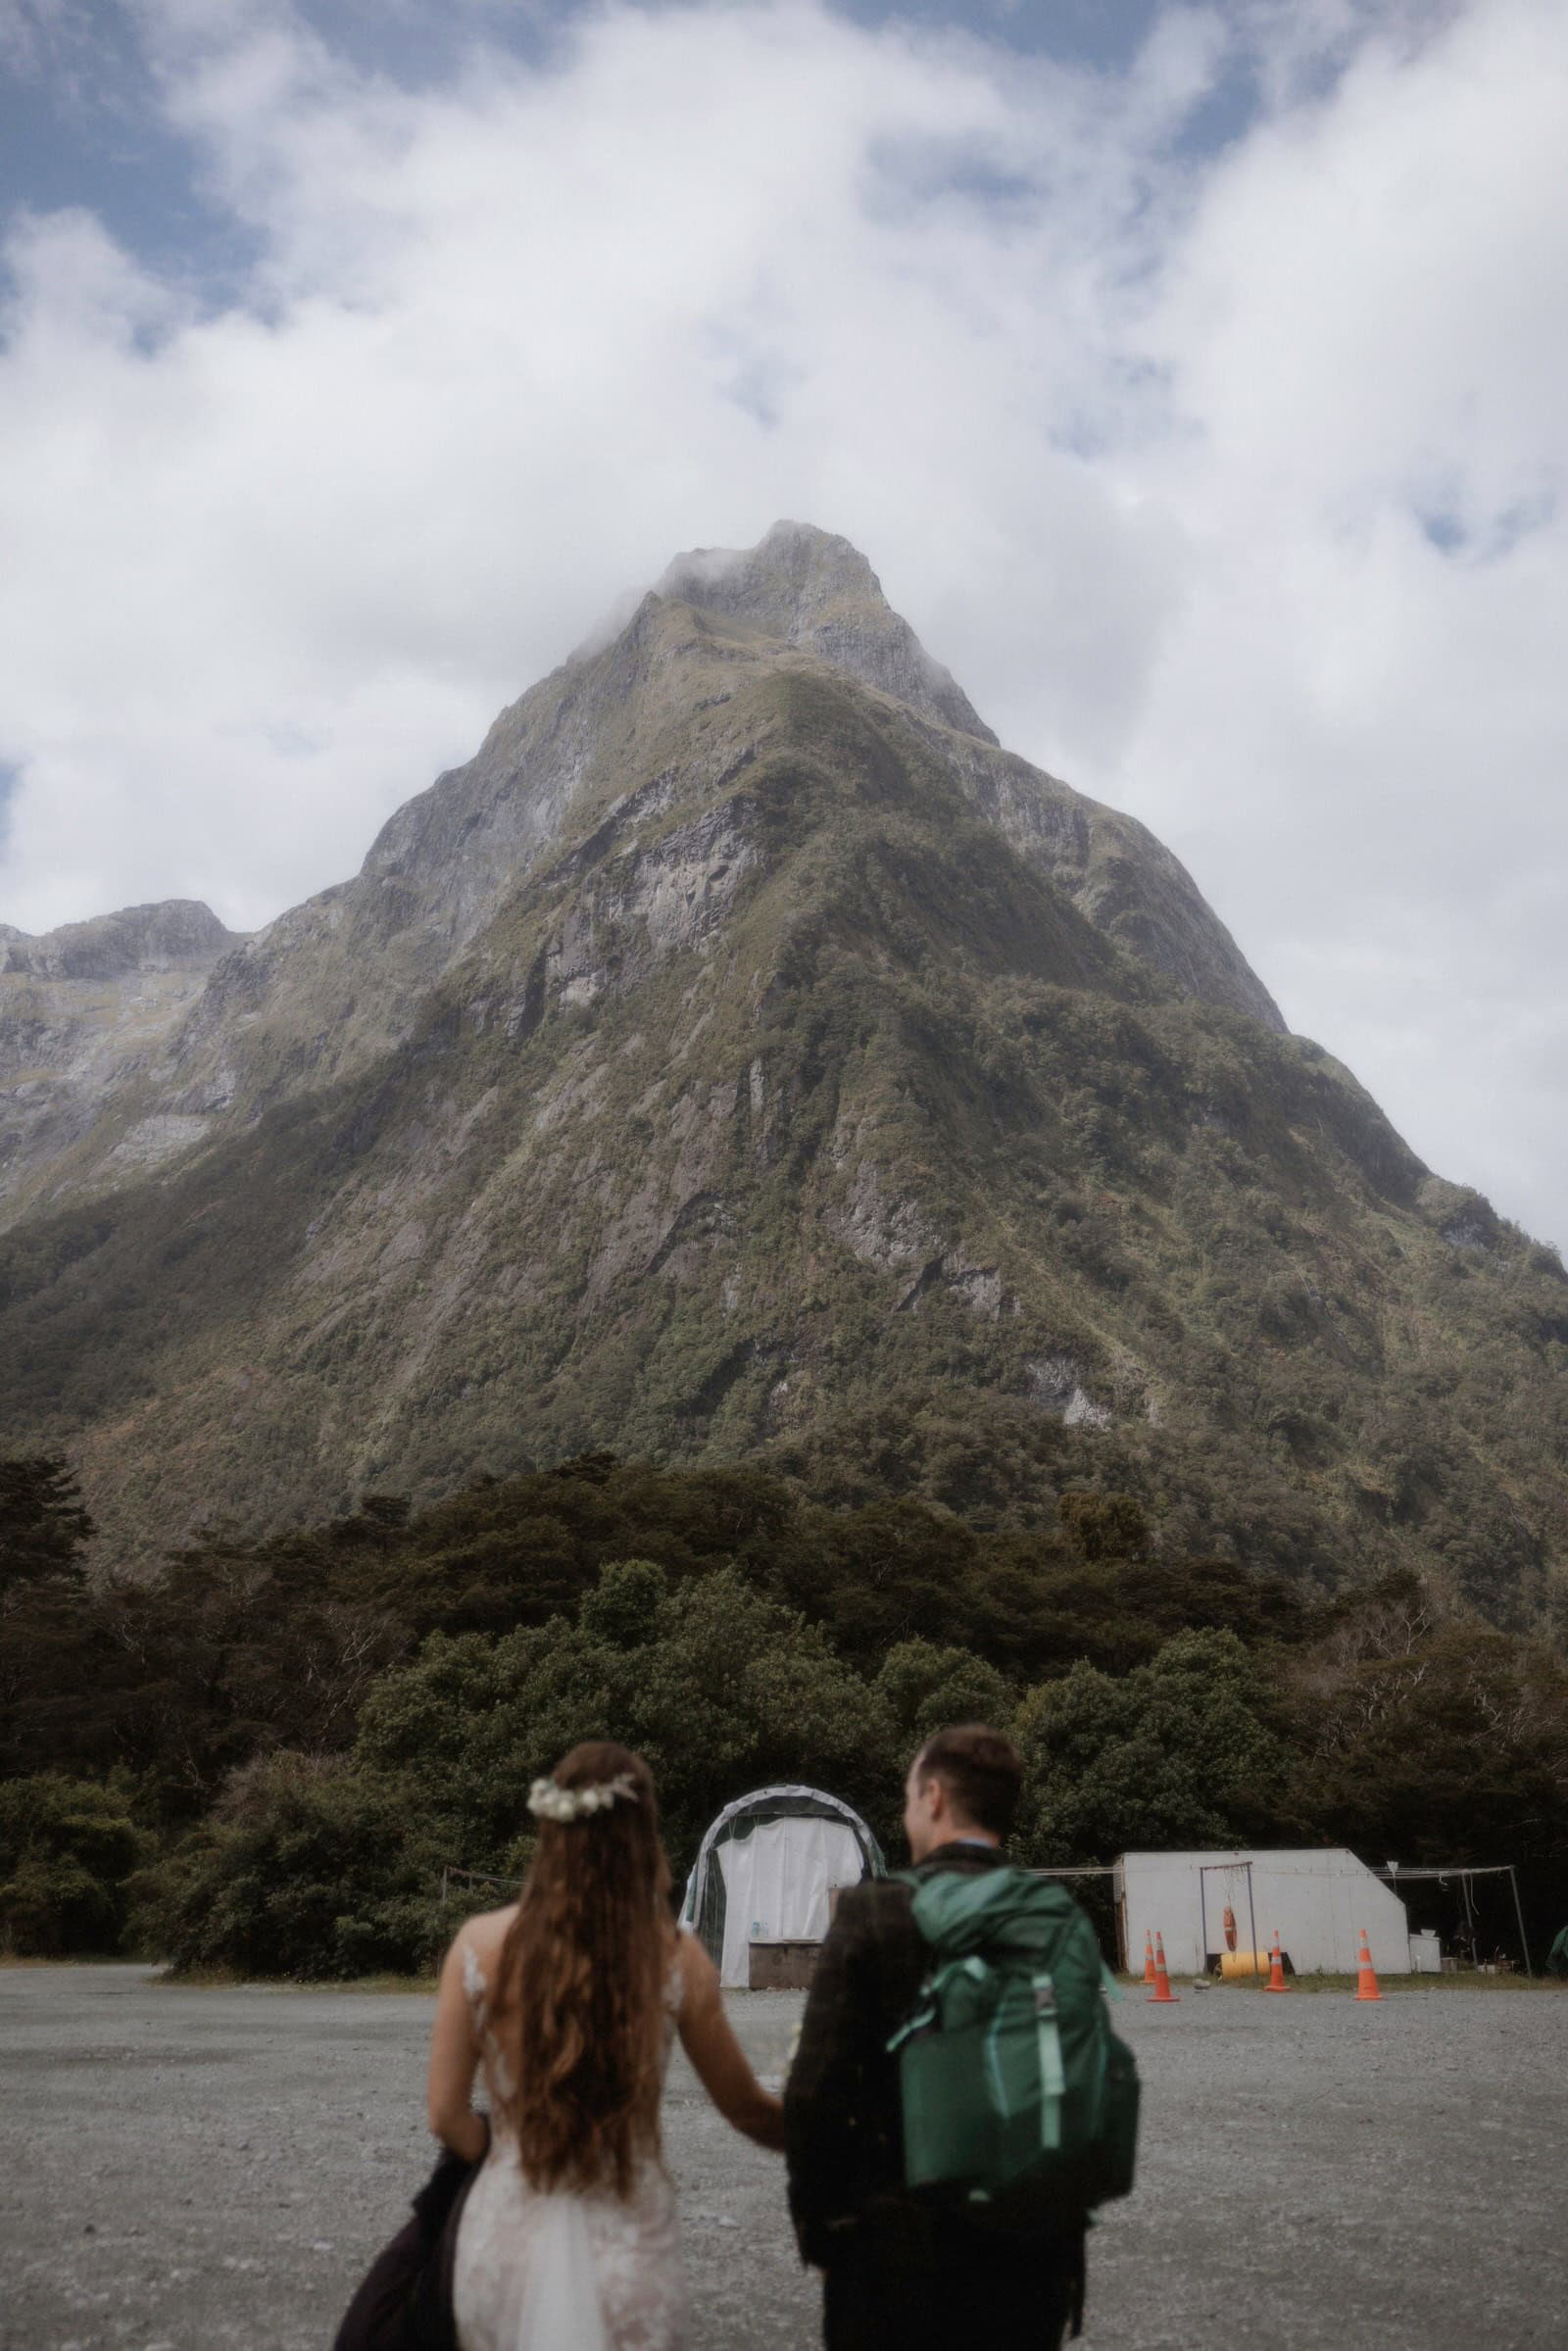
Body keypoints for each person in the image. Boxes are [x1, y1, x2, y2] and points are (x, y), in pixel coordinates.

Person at [426, 1739, 786, 2350]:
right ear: (642, 1836)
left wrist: (503, 2149)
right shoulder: (675, 1958)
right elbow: (745, 2106)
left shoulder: (478, 1944)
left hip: (505, 2240)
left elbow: (445, 2115)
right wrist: (840, 2135)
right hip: (629, 2244)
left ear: (552, 1828)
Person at [784, 1724, 1089, 2351]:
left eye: (906, 1797)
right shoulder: (1052, 1915)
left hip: (894, 2249)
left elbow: (817, 2090)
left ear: (933, 1799)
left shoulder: (876, 1910)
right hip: (1030, 2252)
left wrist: (822, 2229)